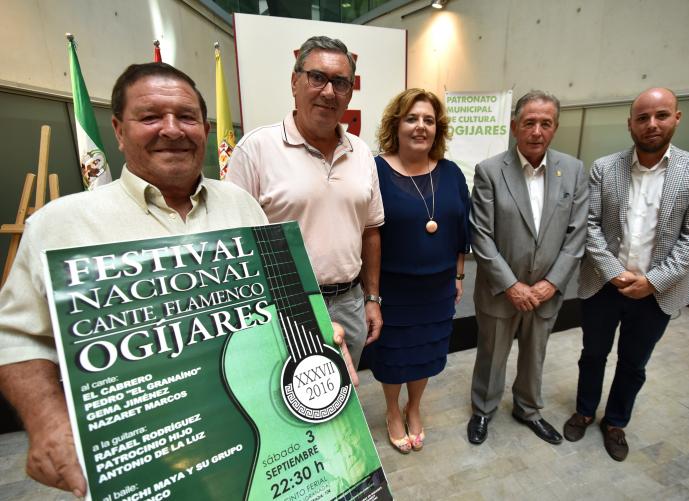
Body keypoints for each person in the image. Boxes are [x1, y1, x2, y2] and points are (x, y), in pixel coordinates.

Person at [0, 62, 356, 496]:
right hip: (149, 460)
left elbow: (275, 302)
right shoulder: (60, 226)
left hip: (263, 441)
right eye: (150, 117)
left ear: (204, 130)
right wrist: (47, 422)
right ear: (118, 128)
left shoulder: (240, 205)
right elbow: (15, 339)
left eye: (186, 117)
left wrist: (319, 332)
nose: (171, 129)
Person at [564, 87, 689, 461]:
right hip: (603, 284)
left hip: (657, 292)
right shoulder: (605, 167)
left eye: (661, 115)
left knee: (634, 363)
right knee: (593, 354)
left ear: (676, 118)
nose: (652, 124)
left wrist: (652, 281)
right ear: (630, 124)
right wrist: (617, 274)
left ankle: (615, 422)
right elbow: (591, 225)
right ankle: (585, 410)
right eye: (643, 117)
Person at [226, 36, 384, 368]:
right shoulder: (255, 150)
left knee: (347, 395)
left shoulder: (362, 154)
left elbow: (370, 232)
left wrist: (371, 299)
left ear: (349, 93)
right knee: (291, 399)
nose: (329, 92)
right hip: (284, 305)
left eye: (340, 83)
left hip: (351, 301)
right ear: (294, 81)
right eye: (317, 77)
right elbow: (234, 244)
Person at [467, 90, 589, 446]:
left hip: (546, 293)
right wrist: (512, 286)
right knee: (492, 356)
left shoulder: (574, 170)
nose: (537, 131)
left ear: (555, 128)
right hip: (500, 290)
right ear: (514, 126)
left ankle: (528, 409)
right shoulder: (490, 171)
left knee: (535, 356)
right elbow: (482, 236)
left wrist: (551, 284)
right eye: (529, 123)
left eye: (545, 123)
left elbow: (576, 234)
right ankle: (483, 410)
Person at [365, 89, 469, 453]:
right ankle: (393, 410)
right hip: (393, 289)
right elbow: (369, 235)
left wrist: (458, 276)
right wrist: (371, 296)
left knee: (425, 351)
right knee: (393, 354)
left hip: (438, 289)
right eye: (412, 118)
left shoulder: (452, 173)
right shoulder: (375, 170)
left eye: (428, 120)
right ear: (397, 124)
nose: (420, 126)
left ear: (437, 128)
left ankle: (415, 407)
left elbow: (461, 231)